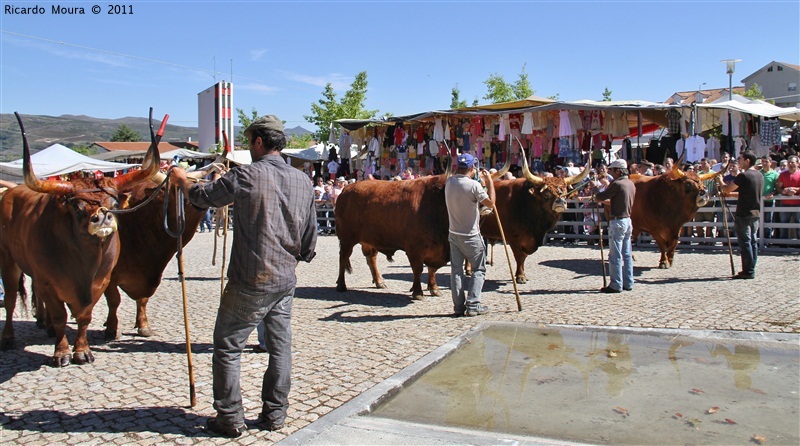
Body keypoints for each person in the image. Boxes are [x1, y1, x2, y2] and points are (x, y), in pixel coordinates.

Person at [170, 115, 317, 437]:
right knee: (279, 347)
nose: (249, 148)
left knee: (227, 345)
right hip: (285, 278)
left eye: (249, 141)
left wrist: (181, 179)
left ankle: (230, 417)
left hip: (251, 278)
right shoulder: (302, 179)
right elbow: (310, 234)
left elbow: (202, 197)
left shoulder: (247, 174)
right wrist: (299, 256)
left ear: (259, 142)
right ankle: (275, 414)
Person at [445, 153, 495, 317]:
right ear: (473, 168)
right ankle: (473, 304)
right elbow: (491, 204)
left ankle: (458, 307)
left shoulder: (449, 182)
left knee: (456, 271)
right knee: (479, 269)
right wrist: (490, 183)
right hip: (471, 235)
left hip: (453, 233)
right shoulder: (474, 186)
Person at [717, 151, 763, 279]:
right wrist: (730, 195)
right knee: (753, 241)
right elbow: (746, 193)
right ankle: (751, 268)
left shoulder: (743, 175)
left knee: (745, 242)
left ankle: (748, 271)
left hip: (744, 213)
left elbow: (727, 188)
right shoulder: (759, 175)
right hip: (755, 213)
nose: (739, 161)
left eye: (741, 159)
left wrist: (721, 181)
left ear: (748, 160)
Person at [594, 158, 635, 293]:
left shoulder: (617, 184)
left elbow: (601, 196)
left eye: (612, 170)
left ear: (618, 171)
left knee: (615, 254)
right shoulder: (630, 183)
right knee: (627, 253)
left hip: (617, 221)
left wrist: (595, 188)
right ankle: (628, 282)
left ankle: (616, 284)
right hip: (627, 220)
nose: (611, 172)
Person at [775, 155, 800, 241]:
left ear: (797, 163)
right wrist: (783, 191)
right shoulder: (782, 174)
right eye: (789, 162)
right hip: (785, 203)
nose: (790, 164)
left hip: (798, 204)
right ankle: (783, 244)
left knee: (799, 224)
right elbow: (779, 187)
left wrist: (794, 190)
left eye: (792, 162)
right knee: (783, 224)